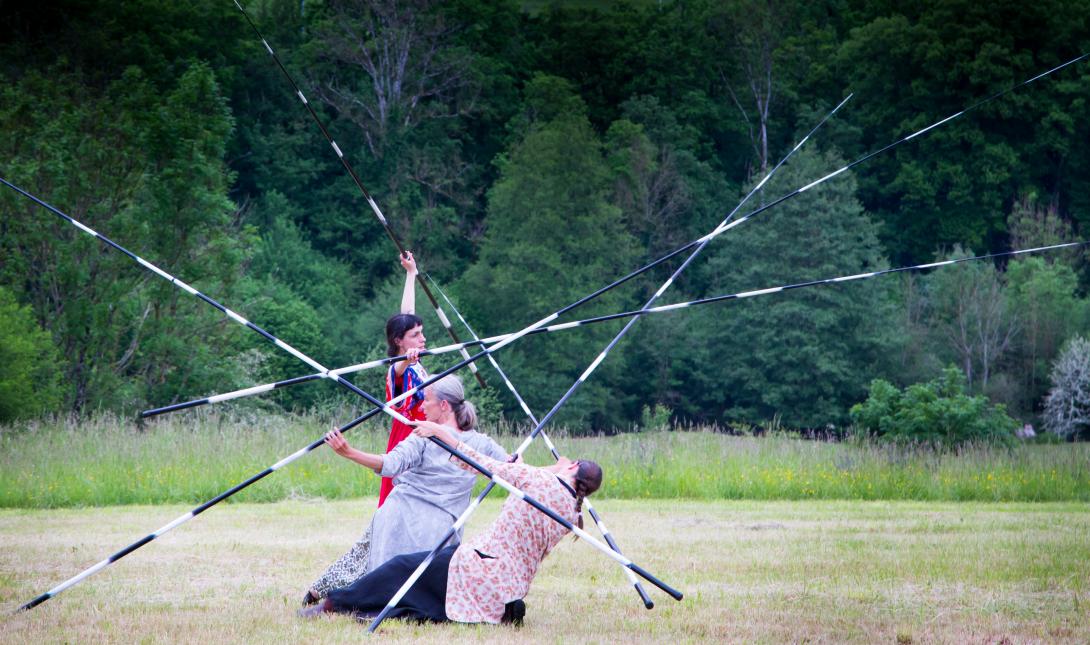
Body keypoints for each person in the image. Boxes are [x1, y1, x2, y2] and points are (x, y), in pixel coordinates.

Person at [300, 420, 604, 625]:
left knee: (404, 568)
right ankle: (362, 606)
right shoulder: (572, 514)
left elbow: (483, 464)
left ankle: (331, 605)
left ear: (574, 467)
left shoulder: (538, 481)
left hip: (480, 567)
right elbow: (539, 479)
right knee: (423, 583)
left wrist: (440, 434)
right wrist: (558, 468)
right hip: (508, 582)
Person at [302, 375, 509, 606]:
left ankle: (324, 594)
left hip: (410, 521)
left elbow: (390, 464)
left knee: (366, 564)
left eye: (426, 399)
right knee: (366, 560)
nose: (421, 405)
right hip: (429, 524)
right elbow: (513, 467)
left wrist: (349, 452)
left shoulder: (434, 436)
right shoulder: (478, 443)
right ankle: (320, 592)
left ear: (443, 405)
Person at [380, 251, 429, 507]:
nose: (423, 339)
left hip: (428, 431)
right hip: (407, 436)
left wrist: (411, 274)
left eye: (422, 333)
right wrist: (406, 360)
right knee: (401, 499)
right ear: (399, 341)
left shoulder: (414, 359)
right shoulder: (396, 369)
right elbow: (398, 371)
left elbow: (407, 313)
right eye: (416, 335)